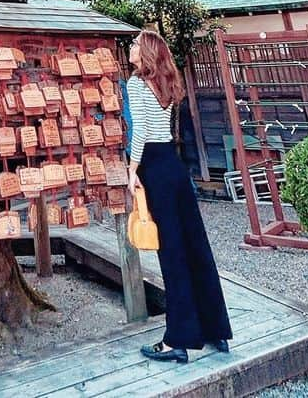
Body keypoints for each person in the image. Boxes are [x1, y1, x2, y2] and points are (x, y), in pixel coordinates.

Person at [127, 29, 232, 364]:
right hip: (174, 166)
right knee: (195, 246)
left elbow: (141, 131)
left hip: (154, 167)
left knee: (171, 253)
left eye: (133, 45)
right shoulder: (167, 85)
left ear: (143, 53)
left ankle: (179, 341)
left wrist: (131, 170)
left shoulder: (136, 83)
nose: (129, 48)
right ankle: (215, 329)